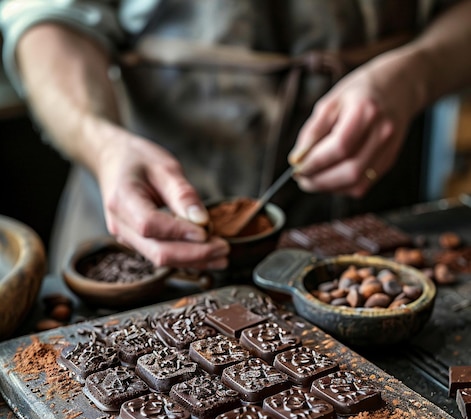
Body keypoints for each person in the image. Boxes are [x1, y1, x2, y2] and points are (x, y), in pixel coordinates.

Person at [1, 1, 471, 274]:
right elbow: (45, 18)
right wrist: (99, 141)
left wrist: (418, 74)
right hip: (137, 227)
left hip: (365, 221)